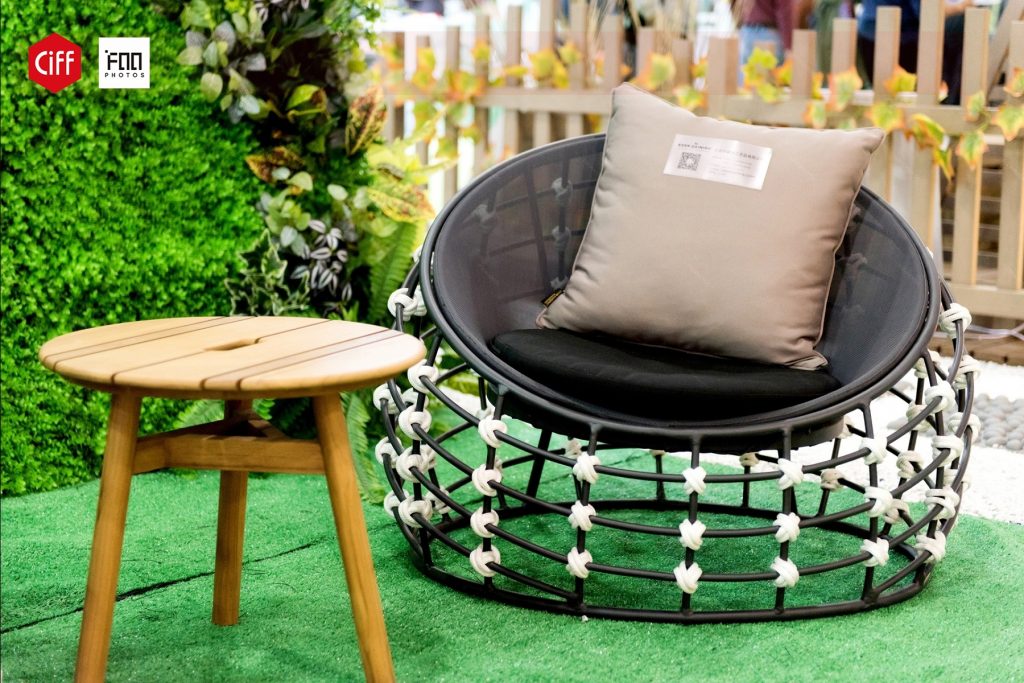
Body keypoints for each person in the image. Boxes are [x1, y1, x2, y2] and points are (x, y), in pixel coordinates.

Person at [857, 0, 972, 104]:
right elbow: (928, 11)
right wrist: (962, 6)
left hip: (869, 34)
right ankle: (950, 101)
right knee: (958, 26)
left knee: (886, 97)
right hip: (900, 38)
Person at [737, 0, 796, 66]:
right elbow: (784, 10)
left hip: (748, 31)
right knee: (772, 71)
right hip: (768, 33)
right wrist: (788, 47)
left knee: (748, 70)